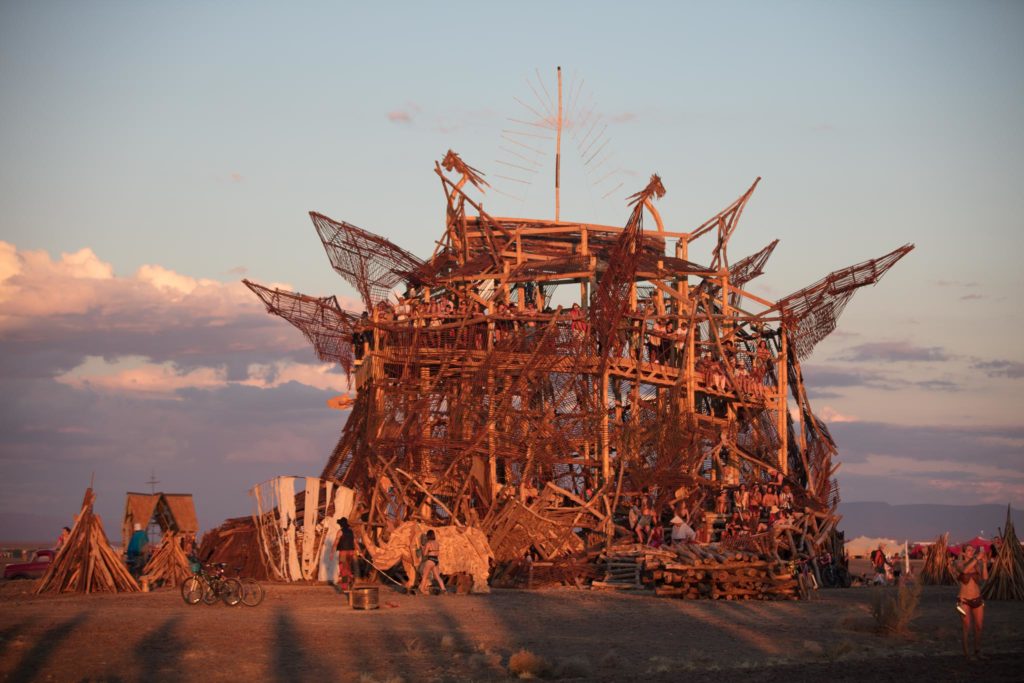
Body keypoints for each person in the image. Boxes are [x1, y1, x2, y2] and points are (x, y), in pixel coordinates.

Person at [955, 544, 988, 659]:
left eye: (972, 550)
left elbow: (985, 577)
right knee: (966, 626)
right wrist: (976, 559)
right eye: (968, 550)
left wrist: (983, 563)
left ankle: (977, 651)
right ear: (964, 553)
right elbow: (964, 570)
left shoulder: (977, 564)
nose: (971, 551)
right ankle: (966, 654)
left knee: (979, 626)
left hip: (977, 598)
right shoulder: (959, 563)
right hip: (964, 600)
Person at [418, 529, 446, 595]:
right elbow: (438, 552)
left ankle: (421, 589)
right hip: (436, 560)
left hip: (430, 560)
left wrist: (422, 548)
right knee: (437, 577)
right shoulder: (437, 543)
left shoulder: (428, 543)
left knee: (424, 575)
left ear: (428, 536)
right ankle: (443, 589)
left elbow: (424, 554)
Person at [335, 517, 356, 592]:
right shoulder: (351, 532)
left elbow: (336, 542)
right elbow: (354, 542)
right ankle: (350, 579)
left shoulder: (340, 531)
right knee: (348, 567)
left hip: (343, 552)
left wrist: (332, 551)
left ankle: (345, 586)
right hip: (351, 551)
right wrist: (358, 551)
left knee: (343, 568)